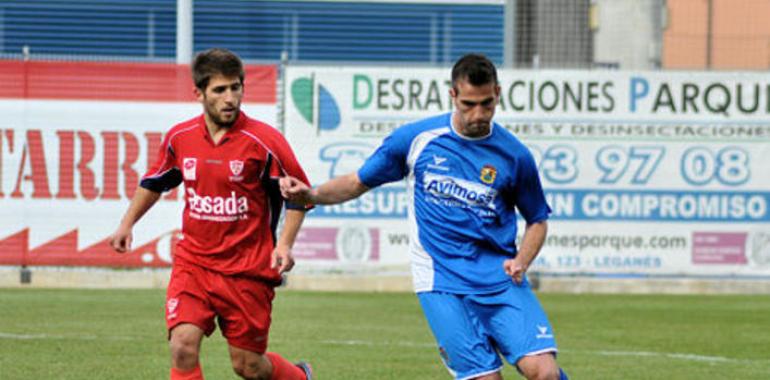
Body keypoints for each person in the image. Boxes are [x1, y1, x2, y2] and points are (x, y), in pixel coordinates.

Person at [280, 53, 567, 380]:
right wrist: (312, 194)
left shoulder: (514, 155)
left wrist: (522, 261)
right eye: (469, 104)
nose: (478, 114)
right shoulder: (416, 140)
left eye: (487, 104)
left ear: (498, 94)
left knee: (544, 372)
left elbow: (537, 220)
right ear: (453, 96)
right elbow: (357, 181)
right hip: (440, 280)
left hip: (499, 278)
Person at [109, 48, 313, 380]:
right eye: (220, 90)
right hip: (195, 264)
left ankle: (300, 377)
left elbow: (299, 197)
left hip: (247, 270)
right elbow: (155, 182)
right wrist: (127, 223)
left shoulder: (264, 142)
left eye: (236, 87)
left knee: (248, 367)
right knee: (182, 346)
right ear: (199, 93)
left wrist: (284, 245)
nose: (230, 97)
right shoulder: (181, 138)